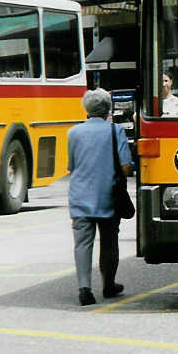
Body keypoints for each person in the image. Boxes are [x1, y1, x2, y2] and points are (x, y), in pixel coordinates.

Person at [67, 88, 133, 306]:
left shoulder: (73, 132)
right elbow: (125, 166)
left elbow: (71, 166)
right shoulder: (116, 131)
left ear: (86, 108)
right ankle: (108, 284)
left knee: (82, 243)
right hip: (108, 195)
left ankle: (84, 288)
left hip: (80, 195)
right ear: (108, 109)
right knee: (109, 241)